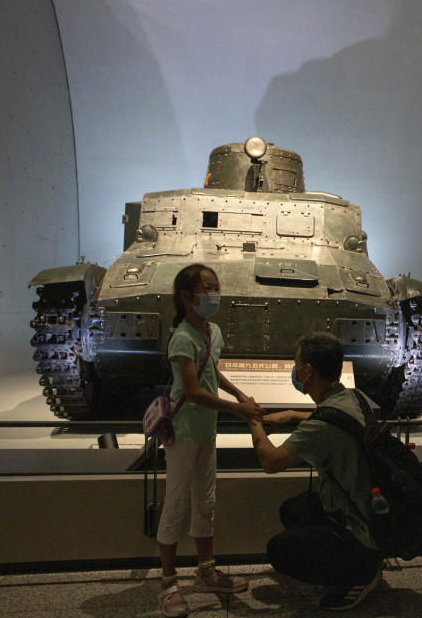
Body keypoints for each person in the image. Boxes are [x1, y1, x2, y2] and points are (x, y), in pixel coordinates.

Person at [248, 332, 384, 611]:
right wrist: (291, 415)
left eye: (296, 364)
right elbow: (331, 418)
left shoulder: (321, 428)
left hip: (359, 527)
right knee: (294, 510)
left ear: (308, 371)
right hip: (371, 514)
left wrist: (253, 421)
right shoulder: (354, 397)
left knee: (280, 551)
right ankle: (360, 555)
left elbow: (270, 461)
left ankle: (359, 575)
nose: (294, 370)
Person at [157, 264, 263, 618]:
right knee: (175, 505)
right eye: (208, 287)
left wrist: (240, 393)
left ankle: (206, 570)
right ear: (187, 296)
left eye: (217, 286)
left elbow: (213, 370)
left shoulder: (212, 331)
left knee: (206, 501)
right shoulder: (182, 337)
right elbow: (193, 391)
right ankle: (169, 584)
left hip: (206, 431)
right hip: (184, 432)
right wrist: (240, 409)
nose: (215, 293)